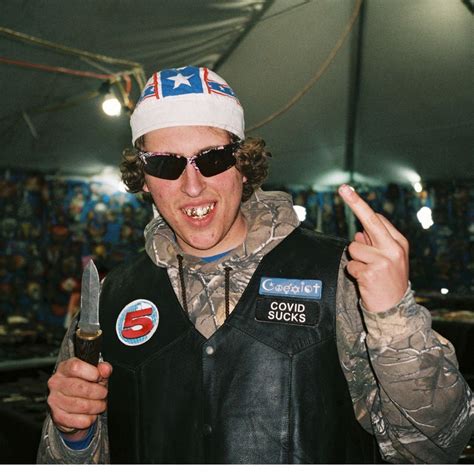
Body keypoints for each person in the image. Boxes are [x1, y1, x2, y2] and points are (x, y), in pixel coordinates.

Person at [37, 66, 473, 464]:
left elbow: (436, 446)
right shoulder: (110, 297)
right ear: (145, 180)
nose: (192, 186)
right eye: (166, 164)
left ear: (243, 166)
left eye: (212, 158)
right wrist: (74, 434)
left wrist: (394, 318)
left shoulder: (342, 276)